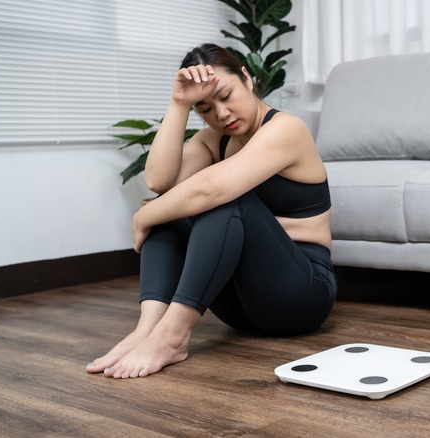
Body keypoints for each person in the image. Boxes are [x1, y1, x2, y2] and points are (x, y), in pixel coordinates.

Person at [86, 43, 337, 379]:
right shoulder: (211, 140)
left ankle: (173, 337)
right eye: (204, 107)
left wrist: (142, 215)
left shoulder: (285, 128)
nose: (221, 114)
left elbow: (212, 190)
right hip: (239, 309)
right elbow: (159, 181)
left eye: (226, 95)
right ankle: (148, 329)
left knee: (226, 202)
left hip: (301, 296)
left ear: (246, 78)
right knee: (171, 210)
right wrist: (178, 103)